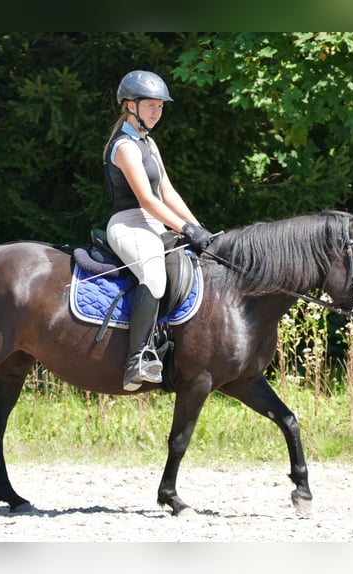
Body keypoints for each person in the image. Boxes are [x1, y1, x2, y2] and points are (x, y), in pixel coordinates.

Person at [103, 70, 214, 391]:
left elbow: (168, 192)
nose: (157, 112)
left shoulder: (148, 144)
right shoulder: (124, 146)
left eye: (160, 106)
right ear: (130, 105)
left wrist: (199, 230)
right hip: (128, 224)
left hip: (153, 223)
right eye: (150, 105)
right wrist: (185, 229)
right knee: (153, 273)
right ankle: (136, 360)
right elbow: (148, 201)